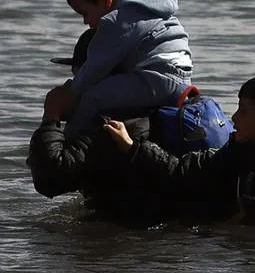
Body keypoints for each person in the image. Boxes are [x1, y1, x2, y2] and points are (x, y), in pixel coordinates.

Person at [104, 74, 255, 229]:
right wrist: (133, 147)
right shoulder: (240, 152)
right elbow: (182, 171)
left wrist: (234, 228)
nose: (235, 118)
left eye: (244, 111)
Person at [27, 30, 177, 228]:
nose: (70, 86)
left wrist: (51, 115)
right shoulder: (149, 105)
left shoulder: (110, 126)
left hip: (129, 240)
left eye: (77, 77)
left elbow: (51, 178)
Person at [49, 0, 194, 133]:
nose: (85, 21)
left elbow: (95, 68)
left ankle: (69, 143)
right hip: (182, 77)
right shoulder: (149, 9)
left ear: (104, 0)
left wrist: (69, 94)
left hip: (157, 78)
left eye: (84, 13)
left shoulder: (116, 21)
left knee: (92, 98)